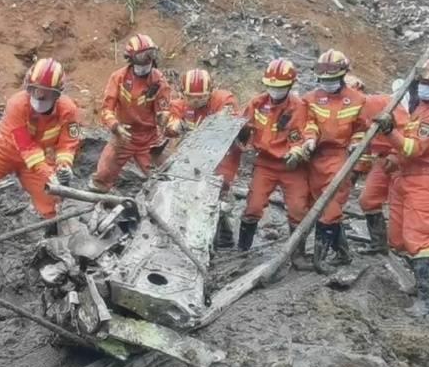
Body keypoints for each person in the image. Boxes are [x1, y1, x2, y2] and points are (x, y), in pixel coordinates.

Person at [0, 58, 81, 230]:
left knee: (52, 198)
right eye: (35, 90)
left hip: (38, 159)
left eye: (46, 93)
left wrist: (64, 165)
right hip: (4, 150)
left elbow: (68, 142)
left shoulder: (68, 110)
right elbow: (25, 145)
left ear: (57, 94)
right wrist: (48, 172)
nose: (40, 96)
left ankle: (54, 236)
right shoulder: (17, 104)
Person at [375, 55, 429, 315]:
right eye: (422, 81)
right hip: (406, 175)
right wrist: (393, 156)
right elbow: (408, 143)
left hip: (425, 181)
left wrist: (389, 132)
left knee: (418, 238)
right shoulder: (422, 106)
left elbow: (413, 147)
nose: (424, 86)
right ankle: (419, 284)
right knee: (398, 238)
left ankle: (427, 297)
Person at [237, 59, 313, 265]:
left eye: (279, 87)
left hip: (292, 166)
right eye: (271, 86)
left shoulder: (298, 107)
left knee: (298, 209)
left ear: (289, 86)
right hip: (265, 163)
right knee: (253, 206)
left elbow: (302, 135)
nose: (274, 91)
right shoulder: (258, 103)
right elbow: (243, 124)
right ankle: (242, 249)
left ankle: (297, 254)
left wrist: (297, 151)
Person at [302, 49, 367, 274]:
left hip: (340, 157)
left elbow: (361, 128)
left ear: (342, 76)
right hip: (315, 158)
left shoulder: (358, 100)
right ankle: (343, 253)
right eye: (323, 80)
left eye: (331, 80)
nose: (326, 84)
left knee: (330, 208)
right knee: (317, 205)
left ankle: (320, 258)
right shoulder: (311, 98)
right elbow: (309, 122)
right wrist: (309, 139)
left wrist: (357, 144)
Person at [89, 34, 174, 192]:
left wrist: (165, 120)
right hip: (123, 136)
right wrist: (116, 127)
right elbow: (107, 109)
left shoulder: (159, 81)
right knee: (102, 177)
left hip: (149, 139)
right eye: (142, 57)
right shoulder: (119, 78)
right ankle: (95, 200)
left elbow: (163, 111)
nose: (147, 61)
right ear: (131, 59)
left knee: (167, 179)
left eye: (150, 56)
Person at [165, 68, 240, 246]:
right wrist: (174, 125)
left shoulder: (223, 100)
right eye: (191, 97)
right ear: (183, 94)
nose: (196, 101)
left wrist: (224, 120)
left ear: (211, 92)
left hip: (222, 157)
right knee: (185, 194)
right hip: (191, 158)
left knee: (219, 196)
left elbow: (233, 126)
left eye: (201, 97)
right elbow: (170, 123)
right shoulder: (179, 105)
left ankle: (224, 231)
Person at [353, 78, 408, 255]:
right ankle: (379, 245)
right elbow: (362, 142)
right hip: (380, 160)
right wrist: (359, 168)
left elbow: (407, 129)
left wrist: (395, 154)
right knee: (367, 200)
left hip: (400, 160)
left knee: (400, 205)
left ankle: (405, 247)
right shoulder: (348, 113)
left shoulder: (383, 103)